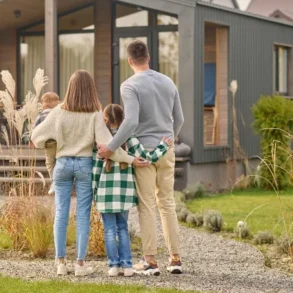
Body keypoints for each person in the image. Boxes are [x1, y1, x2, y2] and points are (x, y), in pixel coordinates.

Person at [31, 70, 147, 277]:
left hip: (62, 164)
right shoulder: (95, 114)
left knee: (61, 214)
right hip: (85, 166)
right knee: (83, 215)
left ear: (70, 88)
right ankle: (80, 265)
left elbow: (36, 137)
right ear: (91, 89)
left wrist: (54, 142)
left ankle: (60, 264)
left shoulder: (58, 111)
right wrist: (131, 159)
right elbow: (108, 147)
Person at [98, 41, 184, 275]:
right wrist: (169, 141)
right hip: (166, 150)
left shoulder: (129, 85)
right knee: (167, 204)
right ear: (148, 57)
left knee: (147, 206)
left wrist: (111, 147)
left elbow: (131, 121)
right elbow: (180, 118)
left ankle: (151, 261)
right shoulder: (168, 81)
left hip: (143, 153)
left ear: (129, 61)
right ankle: (175, 259)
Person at [93, 104, 172, 278]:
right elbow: (147, 158)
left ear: (105, 120)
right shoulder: (130, 138)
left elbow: (95, 169)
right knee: (122, 228)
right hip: (124, 194)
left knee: (109, 230)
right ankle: (128, 266)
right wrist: (163, 146)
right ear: (125, 120)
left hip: (105, 194)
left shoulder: (100, 140)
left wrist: (94, 192)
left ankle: (114, 266)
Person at [33, 92, 60, 195]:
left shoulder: (41, 115)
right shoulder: (59, 115)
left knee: (50, 163)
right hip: (60, 142)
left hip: (49, 144)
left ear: (43, 104)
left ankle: (55, 182)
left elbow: (35, 130)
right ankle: (58, 181)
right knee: (59, 161)